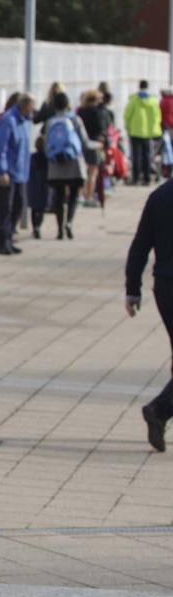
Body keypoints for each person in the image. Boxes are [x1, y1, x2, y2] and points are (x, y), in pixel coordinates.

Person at [125, 175, 173, 452]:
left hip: (165, 288)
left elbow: (140, 246)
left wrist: (133, 289)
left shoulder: (159, 196)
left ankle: (161, 414)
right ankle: (159, 410)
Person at [0, 93, 36, 256]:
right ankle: (1, 242)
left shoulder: (24, 122)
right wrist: (2, 171)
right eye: (32, 107)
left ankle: (9, 238)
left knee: (18, 206)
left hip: (20, 173)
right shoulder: (8, 121)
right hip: (7, 174)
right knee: (5, 208)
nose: (34, 110)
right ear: (24, 106)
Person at [45, 91, 92, 240]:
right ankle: (69, 222)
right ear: (67, 104)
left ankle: (59, 228)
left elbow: (47, 143)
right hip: (73, 162)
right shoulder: (75, 120)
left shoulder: (50, 121)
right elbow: (84, 141)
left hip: (56, 163)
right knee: (73, 195)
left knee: (58, 196)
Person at [125, 80, 162, 186]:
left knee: (136, 156)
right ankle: (147, 178)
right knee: (147, 156)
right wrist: (155, 129)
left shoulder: (134, 100)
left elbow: (127, 115)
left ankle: (136, 178)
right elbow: (157, 117)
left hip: (135, 132)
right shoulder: (153, 101)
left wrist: (128, 127)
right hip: (149, 133)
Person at [77, 89, 109, 205]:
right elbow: (101, 129)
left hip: (82, 144)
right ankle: (89, 196)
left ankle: (81, 194)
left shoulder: (80, 111)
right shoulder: (97, 112)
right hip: (94, 144)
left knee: (82, 171)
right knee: (92, 172)